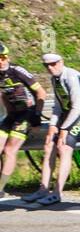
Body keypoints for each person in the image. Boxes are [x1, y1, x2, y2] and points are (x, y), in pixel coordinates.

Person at [32, 53, 80, 206]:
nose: (50, 68)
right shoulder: (55, 79)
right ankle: (43, 189)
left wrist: (63, 129)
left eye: (53, 64)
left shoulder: (71, 77)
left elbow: (77, 107)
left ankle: (57, 193)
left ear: (61, 62)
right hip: (69, 114)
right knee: (49, 145)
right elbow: (57, 106)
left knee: (64, 146)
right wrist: (52, 126)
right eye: (46, 65)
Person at [0, 43, 48, 198]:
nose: (1, 61)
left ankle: (1, 187)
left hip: (28, 114)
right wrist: (8, 113)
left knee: (9, 150)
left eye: (3, 57)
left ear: (7, 56)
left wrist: (37, 116)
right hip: (12, 115)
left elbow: (41, 92)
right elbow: (3, 95)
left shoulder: (17, 71)